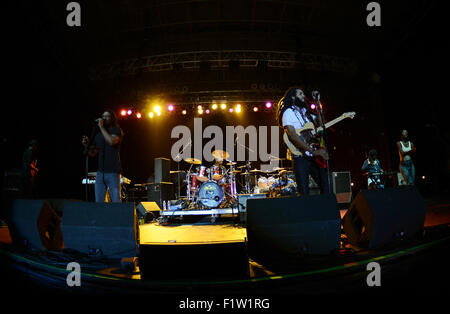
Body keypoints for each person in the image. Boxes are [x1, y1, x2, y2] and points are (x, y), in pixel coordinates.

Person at [277, 87, 330, 195]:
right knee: (304, 191)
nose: (303, 96)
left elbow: (320, 124)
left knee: (326, 187)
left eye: (303, 94)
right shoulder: (288, 112)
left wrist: (317, 103)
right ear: (293, 97)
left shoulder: (306, 112)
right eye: (300, 94)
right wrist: (313, 151)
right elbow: (292, 136)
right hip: (300, 157)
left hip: (313, 156)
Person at [82, 110, 124, 202]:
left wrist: (101, 126)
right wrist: (86, 145)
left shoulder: (116, 130)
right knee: (99, 202)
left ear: (112, 119)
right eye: (103, 116)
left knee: (116, 200)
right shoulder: (98, 135)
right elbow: (93, 153)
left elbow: (111, 141)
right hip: (100, 173)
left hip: (113, 172)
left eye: (107, 116)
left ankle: (117, 216)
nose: (104, 118)